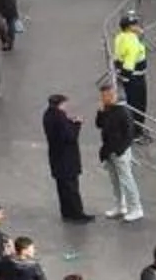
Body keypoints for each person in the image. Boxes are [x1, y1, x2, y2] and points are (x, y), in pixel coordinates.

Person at [95, 86, 143, 224]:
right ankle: (120, 205)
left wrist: (120, 151)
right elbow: (99, 124)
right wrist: (100, 112)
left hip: (119, 151)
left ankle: (136, 208)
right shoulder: (107, 109)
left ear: (113, 96)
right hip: (109, 150)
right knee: (114, 180)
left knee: (127, 180)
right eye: (102, 96)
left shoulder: (123, 111)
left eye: (105, 96)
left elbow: (129, 134)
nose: (103, 99)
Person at [44, 96, 92, 225]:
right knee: (72, 187)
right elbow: (70, 137)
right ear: (60, 104)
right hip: (67, 158)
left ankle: (66, 211)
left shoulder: (48, 115)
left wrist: (69, 121)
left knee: (62, 187)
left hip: (55, 156)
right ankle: (77, 213)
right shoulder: (60, 117)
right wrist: (77, 124)